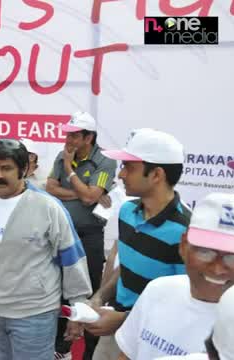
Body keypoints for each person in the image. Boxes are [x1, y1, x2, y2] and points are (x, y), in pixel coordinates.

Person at [0, 139, 92, 359]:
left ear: (24, 169)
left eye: (6, 168)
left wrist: (78, 309)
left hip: (35, 315)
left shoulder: (48, 208)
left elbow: (72, 259)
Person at [72, 128, 190, 360]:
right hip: (114, 330)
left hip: (158, 343)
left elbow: (186, 303)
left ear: (156, 175)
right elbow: (125, 268)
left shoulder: (187, 232)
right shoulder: (126, 211)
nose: (121, 175)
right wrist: (99, 298)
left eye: (128, 167)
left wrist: (124, 320)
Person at [115, 192, 234, 359]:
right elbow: (127, 355)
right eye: (205, 251)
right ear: (183, 246)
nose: (217, 269)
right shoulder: (158, 290)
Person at [46, 111, 117, 359]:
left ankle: (90, 351)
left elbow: (90, 197)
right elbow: (50, 188)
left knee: (89, 293)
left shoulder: (105, 160)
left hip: (89, 236)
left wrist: (70, 172)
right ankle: (60, 348)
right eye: (68, 133)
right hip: (59, 235)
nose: (68, 139)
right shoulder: (62, 154)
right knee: (59, 290)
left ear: (89, 138)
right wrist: (84, 193)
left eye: (74, 135)